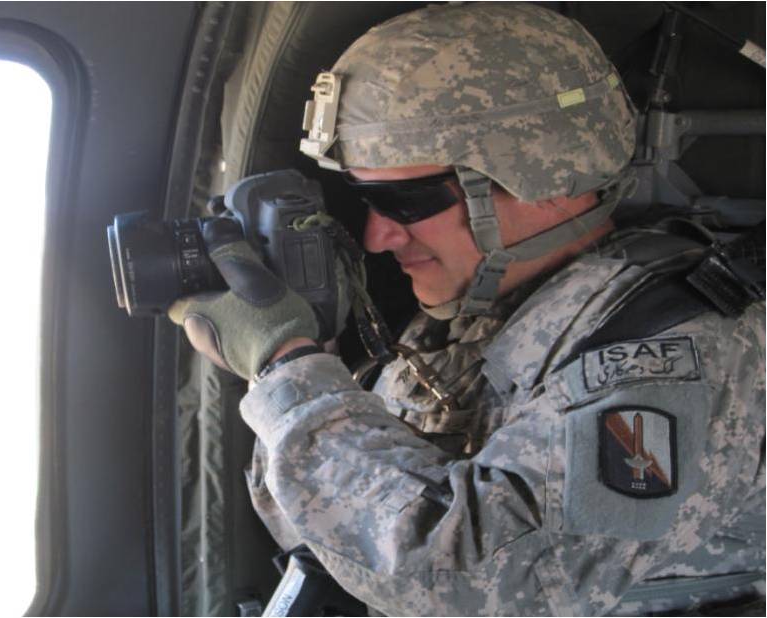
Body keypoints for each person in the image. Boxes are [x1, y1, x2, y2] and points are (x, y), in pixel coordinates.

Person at [169, 3, 765, 615]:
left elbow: (487, 588)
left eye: (405, 199)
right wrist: (310, 357)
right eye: (363, 199)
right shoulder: (475, 318)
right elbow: (325, 531)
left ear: (544, 174)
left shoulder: (679, 351)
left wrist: (289, 372)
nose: (376, 238)